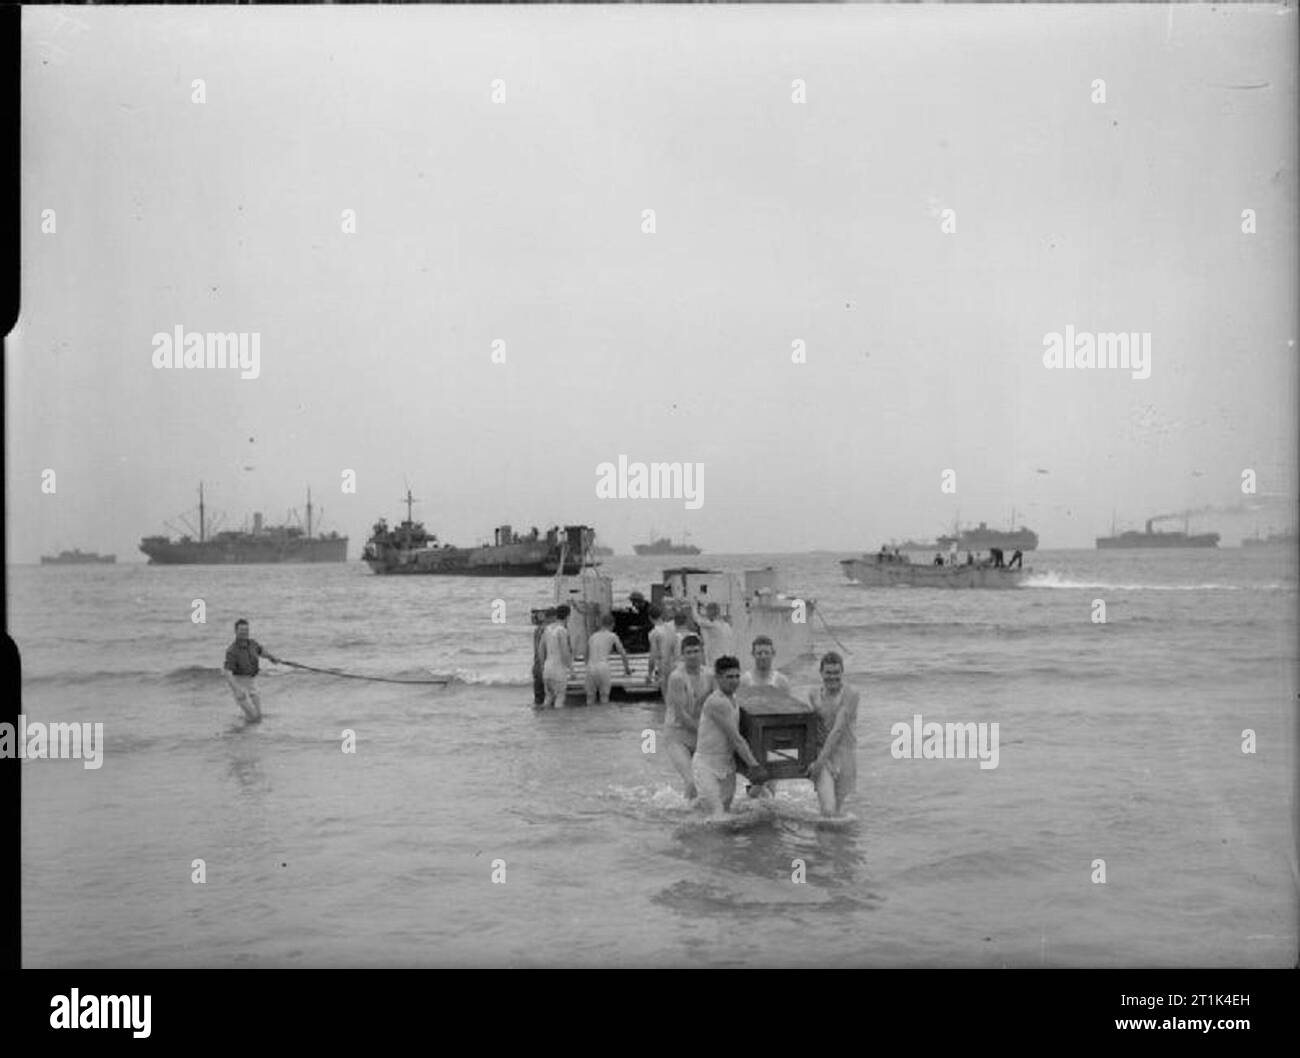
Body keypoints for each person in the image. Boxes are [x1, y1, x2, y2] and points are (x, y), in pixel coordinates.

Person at [693, 656, 767, 817]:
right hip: (706, 765)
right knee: (717, 815)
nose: (734, 681)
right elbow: (736, 738)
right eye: (729, 677)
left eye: (736, 676)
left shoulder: (734, 699)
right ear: (718, 678)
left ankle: (689, 812)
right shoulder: (717, 702)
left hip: (727, 766)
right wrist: (754, 766)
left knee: (725, 812)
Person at [806, 651, 860, 817]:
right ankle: (824, 840)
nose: (832, 677)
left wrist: (819, 762)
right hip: (823, 755)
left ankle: (831, 843)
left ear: (842, 673)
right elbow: (812, 727)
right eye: (828, 672)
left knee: (837, 811)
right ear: (821, 673)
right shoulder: (814, 694)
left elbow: (837, 730)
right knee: (828, 810)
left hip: (845, 755)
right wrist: (816, 761)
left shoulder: (851, 694)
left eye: (836, 672)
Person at [662, 635, 714, 800]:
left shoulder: (710, 674)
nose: (692, 655)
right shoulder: (677, 677)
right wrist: (705, 733)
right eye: (688, 652)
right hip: (677, 735)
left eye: (696, 651)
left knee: (707, 783)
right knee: (691, 782)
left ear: (702, 652)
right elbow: (682, 715)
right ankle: (686, 815)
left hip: (699, 734)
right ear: (682, 655)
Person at [223, 618, 280, 723]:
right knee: (253, 717)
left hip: (252, 683)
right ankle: (242, 735)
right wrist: (237, 690)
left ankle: (246, 736)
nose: (245, 632)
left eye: (246, 630)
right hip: (239, 683)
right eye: (242, 630)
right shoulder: (232, 651)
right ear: (236, 631)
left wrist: (272, 657)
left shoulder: (252, 643)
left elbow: (261, 651)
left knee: (257, 717)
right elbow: (227, 673)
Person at [585, 613, 632, 705]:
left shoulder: (592, 636)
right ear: (612, 624)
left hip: (590, 667)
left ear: (601, 624)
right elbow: (623, 653)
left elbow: (586, 654)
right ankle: (604, 718)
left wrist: (587, 665)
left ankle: (589, 717)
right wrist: (627, 669)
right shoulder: (612, 636)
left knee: (590, 698)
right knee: (604, 697)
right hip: (603, 667)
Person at [538, 604, 573, 708]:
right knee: (560, 698)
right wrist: (571, 669)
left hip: (547, 669)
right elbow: (564, 652)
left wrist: (542, 666)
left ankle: (547, 722)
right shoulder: (562, 630)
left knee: (548, 698)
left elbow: (540, 650)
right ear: (567, 616)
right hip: (558, 670)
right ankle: (557, 722)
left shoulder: (547, 629)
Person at [646, 604, 678, 697]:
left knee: (668, 699)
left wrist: (649, 674)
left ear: (650, 618)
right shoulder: (672, 627)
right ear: (661, 615)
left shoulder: (654, 633)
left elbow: (653, 655)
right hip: (676, 664)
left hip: (664, 667)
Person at [694, 601, 736, 666]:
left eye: (707, 611)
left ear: (710, 612)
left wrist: (693, 604)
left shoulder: (714, 625)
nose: (706, 614)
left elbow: (697, 620)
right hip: (727, 657)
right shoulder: (727, 625)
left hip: (716, 659)